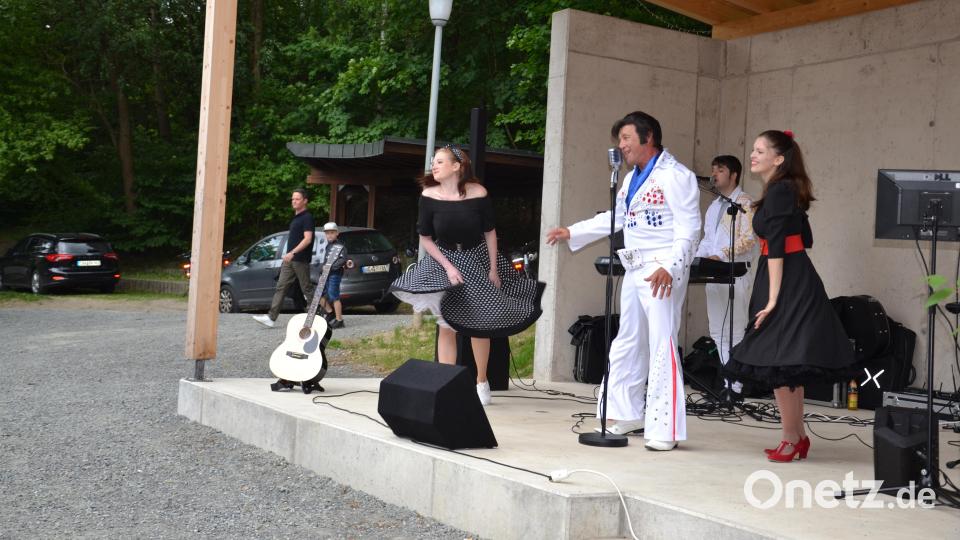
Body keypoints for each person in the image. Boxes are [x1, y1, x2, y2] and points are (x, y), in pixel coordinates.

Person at [546, 111, 700, 451]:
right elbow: (614, 218)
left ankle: (665, 427)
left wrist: (672, 266)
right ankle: (627, 412)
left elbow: (689, 227)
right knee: (628, 338)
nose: (622, 145)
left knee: (661, 342)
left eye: (627, 138)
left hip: (661, 268)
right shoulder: (630, 178)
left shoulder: (677, 175)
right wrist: (573, 231)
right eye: (620, 140)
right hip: (634, 267)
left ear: (648, 138)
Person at [723, 130, 855, 462]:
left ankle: (790, 437)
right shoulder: (783, 190)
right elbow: (803, 238)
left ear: (779, 159)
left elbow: (779, 246)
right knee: (786, 362)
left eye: (760, 150)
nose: (753, 155)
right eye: (753, 149)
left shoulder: (781, 190)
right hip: (788, 275)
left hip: (785, 279)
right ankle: (796, 436)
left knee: (778, 360)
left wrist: (772, 299)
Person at [390, 144, 544, 406]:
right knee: (447, 326)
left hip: (477, 257)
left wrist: (493, 268)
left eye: (440, 161)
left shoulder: (478, 193)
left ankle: (481, 381)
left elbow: (490, 232)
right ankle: (446, 384)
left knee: (478, 325)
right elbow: (426, 238)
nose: (434, 166)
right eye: (433, 161)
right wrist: (448, 267)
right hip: (444, 260)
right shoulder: (428, 195)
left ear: (457, 166)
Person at [695, 155, 758, 404]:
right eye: (713, 169)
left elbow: (748, 240)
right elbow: (707, 239)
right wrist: (697, 259)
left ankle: (737, 387)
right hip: (714, 272)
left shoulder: (745, 203)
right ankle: (727, 384)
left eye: (720, 170)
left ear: (733, 175)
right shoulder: (714, 206)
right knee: (717, 330)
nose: (714, 174)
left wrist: (719, 255)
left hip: (736, 272)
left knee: (735, 329)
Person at [253, 188, 316, 328]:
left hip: (300, 259)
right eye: (293, 199)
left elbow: (307, 239)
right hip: (290, 260)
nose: (294, 201)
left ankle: (317, 316)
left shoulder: (307, 217)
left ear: (305, 201)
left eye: (297, 199)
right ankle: (271, 318)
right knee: (281, 287)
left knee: (306, 288)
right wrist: (289, 255)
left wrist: (293, 252)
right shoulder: (296, 218)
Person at [318, 222, 348, 329]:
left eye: (332, 233)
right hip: (325, 275)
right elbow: (326, 260)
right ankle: (330, 312)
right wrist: (322, 270)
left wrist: (331, 267)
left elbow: (342, 260)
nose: (329, 235)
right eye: (327, 233)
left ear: (337, 233)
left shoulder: (340, 247)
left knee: (334, 296)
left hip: (335, 274)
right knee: (319, 295)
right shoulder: (328, 246)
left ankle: (340, 320)